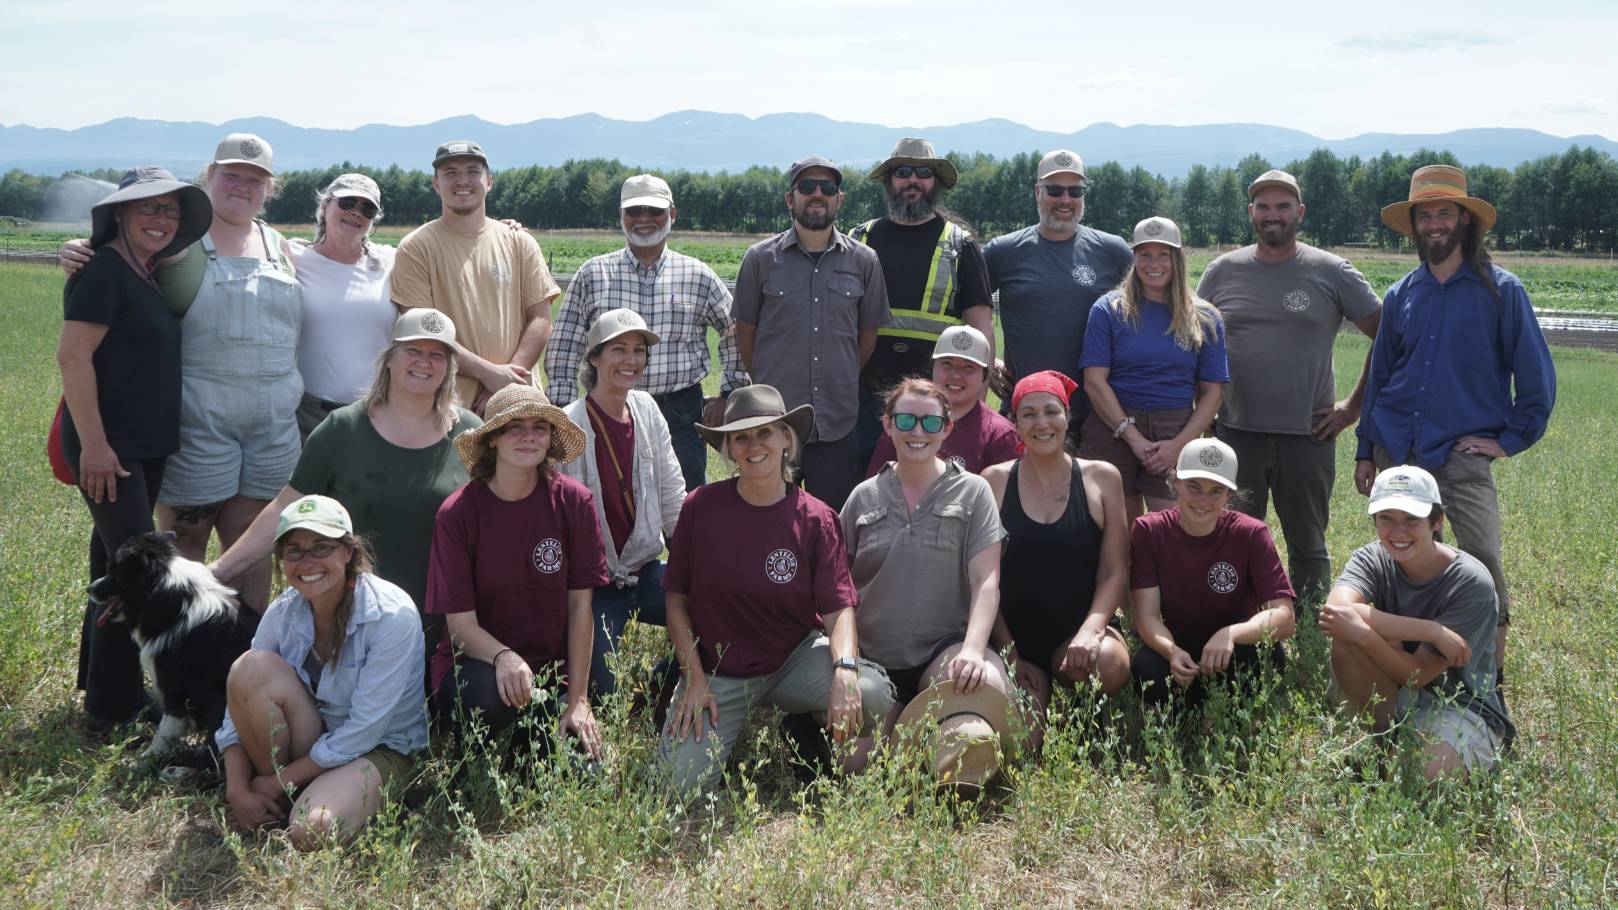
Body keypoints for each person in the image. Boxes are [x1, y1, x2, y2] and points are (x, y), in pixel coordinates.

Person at [1356, 164, 1556, 672]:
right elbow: (1380, 378)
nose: (1435, 224)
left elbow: (1536, 380)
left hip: (1461, 456)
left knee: (1483, 563)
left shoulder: (1501, 291)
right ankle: (1418, 674)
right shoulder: (1403, 293)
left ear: (1465, 220)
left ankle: (1490, 686)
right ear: (1415, 225)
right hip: (1397, 450)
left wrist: (1508, 440)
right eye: (1425, 216)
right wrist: (1365, 449)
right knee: (1409, 565)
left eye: (1445, 213)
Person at [659, 385, 894, 793]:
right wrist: (694, 678)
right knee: (677, 790)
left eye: (765, 432)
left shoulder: (816, 518)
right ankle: (707, 718)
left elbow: (839, 608)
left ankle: (805, 722)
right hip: (719, 671)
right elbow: (676, 599)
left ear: (787, 438)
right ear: (729, 448)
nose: (754, 445)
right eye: (741, 436)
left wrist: (844, 671)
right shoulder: (700, 508)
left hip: (793, 659)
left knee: (871, 694)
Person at [209, 310, 479, 664]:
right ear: (389, 358)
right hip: (353, 619)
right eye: (413, 350)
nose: (424, 362)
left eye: (436, 355)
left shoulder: (470, 434)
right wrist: (217, 573)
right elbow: (285, 510)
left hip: (446, 622)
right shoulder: (342, 430)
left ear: (449, 368)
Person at [56, 166, 210, 730]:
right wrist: (94, 446)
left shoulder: (141, 273)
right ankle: (116, 707)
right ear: (119, 212)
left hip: (139, 448)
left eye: (170, 210)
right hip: (110, 449)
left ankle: (105, 692)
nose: (161, 219)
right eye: (148, 207)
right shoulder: (103, 272)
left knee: (112, 562)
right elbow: (73, 358)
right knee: (142, 573)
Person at [1196, 169, 1383, 600]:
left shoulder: (1332, 270)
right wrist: (1202, 416)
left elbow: (1388, 337)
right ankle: (1242, 619)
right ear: (1250, 213)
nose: (1272, 215)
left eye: (1283, 206)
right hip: (1236, 432)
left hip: (1309, 434)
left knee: (1308, 544)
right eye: (1263, 207)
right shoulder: (1221, 272)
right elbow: (1196, 345)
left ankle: (1310, 625)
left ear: (1300, 212)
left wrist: (1352, 407)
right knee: (1232, 536)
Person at [218, 495, 428, 849]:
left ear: (348, 552)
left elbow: (363, 732)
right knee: (248, 669)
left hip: (378, 746)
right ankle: (273, 797)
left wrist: (274, 782)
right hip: (313, 739)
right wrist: (236, 788)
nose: (307, 561)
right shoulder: (283, 611)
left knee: (310, 830)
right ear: (281, 560)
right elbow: (235, 707)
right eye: (294, 551)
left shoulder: (392, 615)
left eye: (321, 548)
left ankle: (283, 795)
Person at [426, 384, 608, 759]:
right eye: (514, 427)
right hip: (478, 664)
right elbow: (460, 628)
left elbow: (580, 608)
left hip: (551, 670)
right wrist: (504, 657)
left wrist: (578, 699)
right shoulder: (457, 514)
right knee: (486, 697)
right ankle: (481, 748)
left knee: (583, 771)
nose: (529, 436)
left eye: (540, 426)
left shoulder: (574, 501)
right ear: (492, 439)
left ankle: (535, 738)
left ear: (551, 438)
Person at [545, 174, 750, 490]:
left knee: (684, 509)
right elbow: (565, 343)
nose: (644, 219)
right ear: (621, 216)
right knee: (610, 502)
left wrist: (729, 393)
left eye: (654, 211)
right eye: (634, 211)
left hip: (681, 412)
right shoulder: (593, 274)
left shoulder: (697, 275)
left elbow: (735, 330)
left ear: (672, 214)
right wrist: (562, 412)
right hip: (608, 407)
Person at [1322, 466, 1513, 780]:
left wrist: (1367, 632)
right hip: (1397, 687)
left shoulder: (1471, 582)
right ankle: (1382, 736)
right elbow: (1335, 612)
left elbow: (1418, 674)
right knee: (1346, 635)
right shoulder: (1372, 558)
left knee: (1411, 772)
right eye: (1387, 518)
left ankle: (1403, 751)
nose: (1398, 532)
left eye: (1412, 519)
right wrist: (1431, 630)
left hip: (1456, 702)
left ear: (1436, 521)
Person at [733, 155, 891, 511]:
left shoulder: (864, 261)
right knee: (769, 516)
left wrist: (844, 372)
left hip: (837, 421)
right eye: (807, 187)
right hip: (774, 421)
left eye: (827, 188)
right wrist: (768, 382)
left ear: (840, 199)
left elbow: (867, 335)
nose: (817, 194)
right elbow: (746, 333)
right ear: (791, 199)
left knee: (830, 522)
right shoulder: (759, 259)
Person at [841, 378, 1009, 711]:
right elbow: (837, 585)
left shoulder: (974, 491)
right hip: (872, 656)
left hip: (943, 651)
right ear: (888, 424)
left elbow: (985, 580)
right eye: (906, 420)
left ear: (947, 428)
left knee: (985, 687)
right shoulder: (863, 496)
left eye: (931, 422)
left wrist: (974, 650)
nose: (918, 431)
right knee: (855, 764)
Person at [982, 371, 1130, 746]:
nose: (1041, 423)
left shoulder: (1102, 478)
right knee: (1026, 745)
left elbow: (1115, 570)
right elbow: (985, 578)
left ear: (1067, 417)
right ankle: (1040, 691)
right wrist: (1009, 653)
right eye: (1028, 414)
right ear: (1014, 423)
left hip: (1077, 636)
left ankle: (1078, 695)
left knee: (1110, 664)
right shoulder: (994, 482)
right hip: (1015, 639)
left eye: (1051, 411)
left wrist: (1092, 630)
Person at [558, 309, 686, 696]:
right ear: (594, 357)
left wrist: (697, 563)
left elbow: (672, 492)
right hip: (594, 587)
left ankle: (660, 688)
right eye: (618, 349)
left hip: (647, 572)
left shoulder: (647, 410)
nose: (631, 361)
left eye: (638, 350)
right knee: (603, 687)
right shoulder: (569, 424)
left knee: (716, 618)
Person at [848, 138, 995, 465]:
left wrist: (975, 410)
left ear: (936, 182)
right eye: (902, 172)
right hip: (863, 400)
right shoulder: (859, 239)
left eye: (923, 173)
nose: (912, 180)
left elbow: (981, 329)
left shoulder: (960, 244)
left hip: (935, 406)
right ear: (889, 181)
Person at [391, 140, 561, 414]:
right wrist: (489, 374)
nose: (463, 181)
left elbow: (541, 318)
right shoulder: (416, 247)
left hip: (518, 401)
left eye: (472, 171)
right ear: (436, 184)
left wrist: (507, 383)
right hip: (448, 406)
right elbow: (423, 331)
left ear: (489, 181)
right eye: (450, 173)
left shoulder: (520, 242)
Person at [1129, 438, 1297, 711]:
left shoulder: (1251, 533)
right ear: (1176, 482)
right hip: (1179, 646)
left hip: (1237, 647)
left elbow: (1285, 618)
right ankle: (1184, 714)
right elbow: (1146, 616)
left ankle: (1233, 716)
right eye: (1193, 487)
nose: (1202, 500)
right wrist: (1171, 652)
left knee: (1263, 658)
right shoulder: (1149, 531)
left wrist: (1230, 634)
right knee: (1146, 668)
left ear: (1229, 495)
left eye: (1215, 491)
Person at [1079, 216, 1229, 518]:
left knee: (1172, 529)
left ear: (1178, 258)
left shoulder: (1205, 317)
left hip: (1174, 429)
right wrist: (1133, 438)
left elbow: (1213, 394)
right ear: (1133, 257)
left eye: (1164, 254)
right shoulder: (1108, 309)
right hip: (1114, 427)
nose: (1153, 263)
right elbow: (1094, 381)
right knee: (1117, 531)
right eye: (1145, 254)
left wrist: (1177, 446)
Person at [984, 149, 1133, 437]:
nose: (1065, 200)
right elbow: (968, 310)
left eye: (1075, 191)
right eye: (1055, 190)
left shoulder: (1113, 251)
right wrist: (989, 361)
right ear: (1038, 192)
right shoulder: (1002, 251)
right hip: (1027, 414)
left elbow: (1147, 315)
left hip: (1099, 415)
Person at [289, 173, 400, 438]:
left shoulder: (391, 260)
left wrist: (505, 229)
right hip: (309, 415)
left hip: (378, 412)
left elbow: (439, 242)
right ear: (325, 206)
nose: (356, 213)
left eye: (367, 208)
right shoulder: (293, 256)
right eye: (347, 202)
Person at [864, 326, 1018, 477]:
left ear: (985, 376)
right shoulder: (904, 418)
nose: (956, 375)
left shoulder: (999, 434)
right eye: (947, 364)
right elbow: (876, 486)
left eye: (969, 367)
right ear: (934, 367)